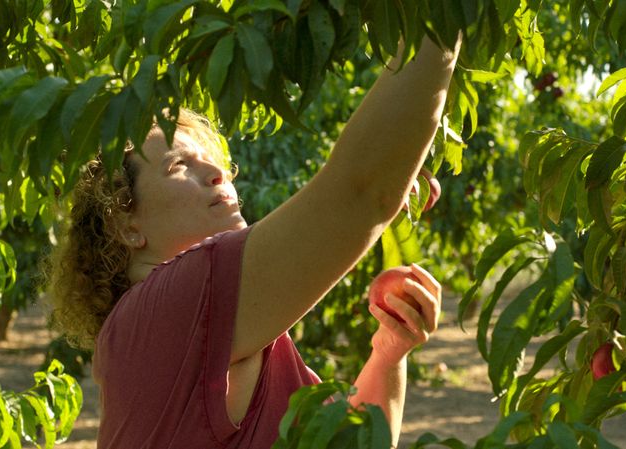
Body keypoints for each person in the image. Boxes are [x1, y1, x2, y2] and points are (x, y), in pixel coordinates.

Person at [45, 34, 461, 449]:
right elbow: (361, 193)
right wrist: (439, 24)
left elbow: (357, 441)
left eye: (212, 160)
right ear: (125, 223)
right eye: (178, 166)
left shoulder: (237, 335)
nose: (216, 171)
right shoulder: (169, 307)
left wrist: (388, 354)